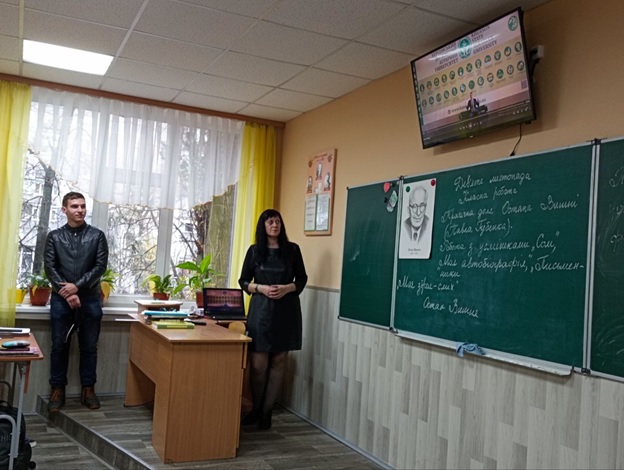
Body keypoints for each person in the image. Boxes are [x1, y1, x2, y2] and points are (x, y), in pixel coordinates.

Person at [238, 209, 308, 430]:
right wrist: (261, 288)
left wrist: (287, 288)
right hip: (261, 311)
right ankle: (256, 409)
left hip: (286, 311)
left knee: (279, 361)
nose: (275, 225)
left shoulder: (292, 250)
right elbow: (243, 281)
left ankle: (267, 413)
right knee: (258, 364)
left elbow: (302, 279)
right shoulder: (254, 251)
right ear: (263, 226)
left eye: (277, 221)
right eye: (270, 222)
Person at [44, 192, 109, 413]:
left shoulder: (97, 236)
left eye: (82, 206)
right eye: (74, 206)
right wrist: (68, 292)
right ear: (65, 210)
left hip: (90, 299)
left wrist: (77, 287)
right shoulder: (54, 237)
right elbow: (50, 268)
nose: (80, 210)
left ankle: (88, 390)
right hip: (61, 300)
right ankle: (57, 390)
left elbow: (99, 267)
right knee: (59, 346)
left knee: (89, 347)